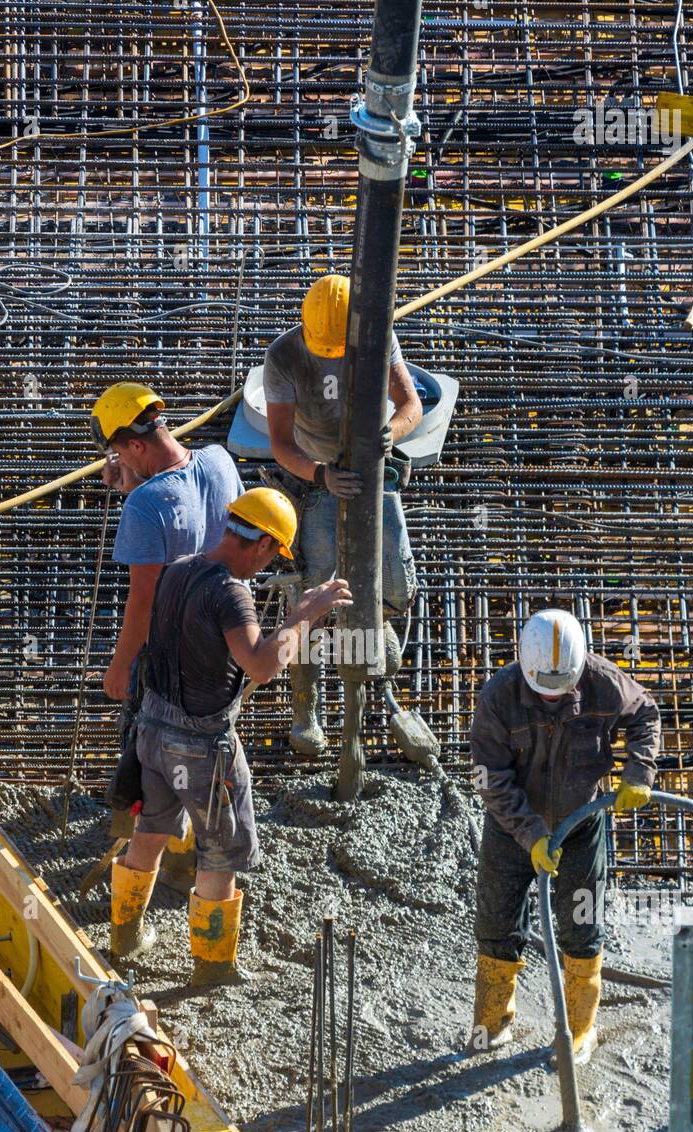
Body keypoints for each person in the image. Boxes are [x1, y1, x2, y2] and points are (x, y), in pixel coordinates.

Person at [109, 487, 352, 981]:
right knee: (220, 848)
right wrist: (304, 615)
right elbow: (260, 665)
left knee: (150, 830)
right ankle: (212, 966)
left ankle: (125, 936)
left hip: (151, 732)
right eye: (272, 554)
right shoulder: (229, 592)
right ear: (261, 542)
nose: (266, 566)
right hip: (200, 748)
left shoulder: (178, 569)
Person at [468, 608, 661, 1065]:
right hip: (513, 826)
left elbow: (645, 715)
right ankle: (492, 1023)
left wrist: (639, 771)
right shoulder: (498, 697)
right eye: (544, 692)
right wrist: (532, 834)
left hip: (582, 824)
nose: (553, 699)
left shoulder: (601, 680)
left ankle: (579, 1030)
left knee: (581, 925)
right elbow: (489, 776)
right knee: (497, 922)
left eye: (562, 691)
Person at [263, 273, 423, 754]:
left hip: (372, 470)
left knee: (397, 588)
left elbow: (411, 404)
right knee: (313, 597)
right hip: (318, 472)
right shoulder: (285, 356)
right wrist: (319, 476)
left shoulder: (378, 338)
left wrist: (391, 433)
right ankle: (306, 710)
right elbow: (280, 444)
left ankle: (380, 654)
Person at [90, 381, 243, 702]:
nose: (121, 462)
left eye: (120, 453)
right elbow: (186, 514)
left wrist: (121, 665)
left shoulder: (143, 504)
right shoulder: (220, 460)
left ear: (136, 446)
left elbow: (145, 599)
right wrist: (134, 482)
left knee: (154, 746)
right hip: (225, 645)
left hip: (174, 660)